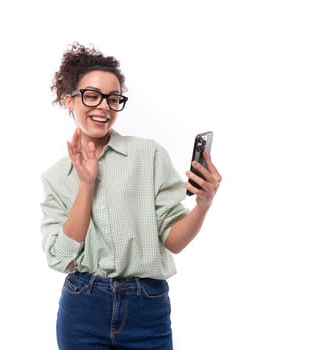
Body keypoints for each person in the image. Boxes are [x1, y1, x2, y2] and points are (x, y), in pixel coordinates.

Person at [40, 42, 222, 350]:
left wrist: (203, 205)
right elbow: (61, 257)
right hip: (82, 309)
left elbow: (173, 242)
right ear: (67, 100)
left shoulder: (147, 155)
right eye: (91, 95)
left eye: (113, 99)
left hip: (146, 308)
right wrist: (86, 184)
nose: (104, 107)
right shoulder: (57, 177)